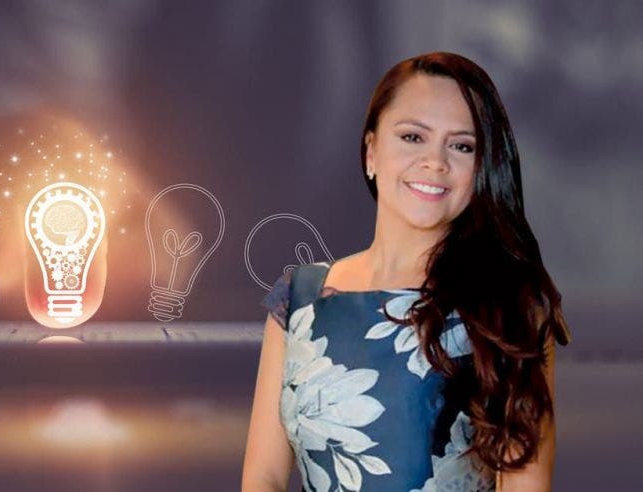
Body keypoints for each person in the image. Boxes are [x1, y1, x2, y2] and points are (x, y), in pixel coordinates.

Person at [241, 52, 571, 492]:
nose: (435, 162)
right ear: (371, 151)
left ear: (483, 169)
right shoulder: (300, 297)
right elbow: (263, 478)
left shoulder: (511, 310)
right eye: (413, 137)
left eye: (462, 146)